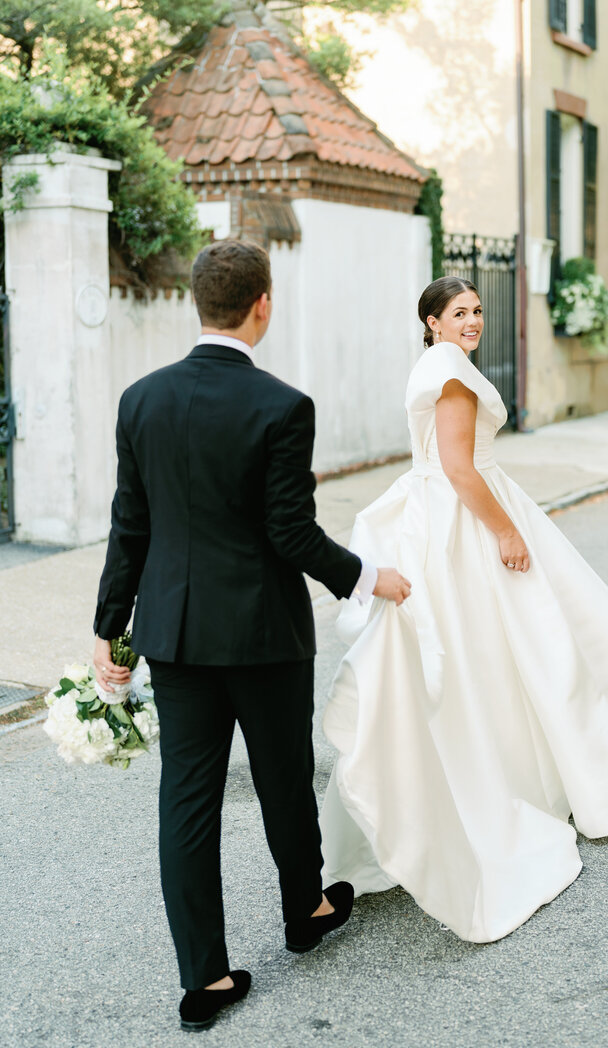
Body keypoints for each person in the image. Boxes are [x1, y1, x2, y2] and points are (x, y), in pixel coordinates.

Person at [319, 276, 608, 943]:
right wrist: (505, 530)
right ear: (431, 322)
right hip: (469, 519)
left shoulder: (441, 365)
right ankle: (549, 776)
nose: (472, 320)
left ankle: (533, 766)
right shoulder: (452, 375)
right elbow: (461, 469)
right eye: (458, 313)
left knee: (510, 650)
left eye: (477, 311)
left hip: (449, 513)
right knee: (535, 648)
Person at [92, 239, 410, 1032]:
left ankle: (204, 982)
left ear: (195, 304)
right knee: (282, 780)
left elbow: (129, 525)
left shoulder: (141, 400)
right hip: (264, 635)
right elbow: (290, 534)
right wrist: (372, 576)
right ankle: (304, 912)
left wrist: (110, 630)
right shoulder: (282, 406)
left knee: (186, 801)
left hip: (175, 635)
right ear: (262, 304)